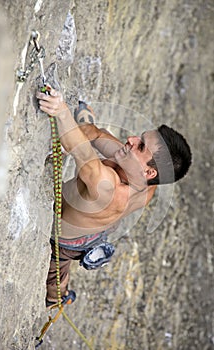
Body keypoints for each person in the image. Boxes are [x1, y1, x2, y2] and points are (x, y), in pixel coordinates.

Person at [36, 88, 192, 307]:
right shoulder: (147, 183)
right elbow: (98, 135)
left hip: (67, 241)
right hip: (95, 231)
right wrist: (84, 124)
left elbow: (82, 151)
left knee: (57, 272)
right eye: (140, 137)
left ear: (149, 172)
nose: (131, 139)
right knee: (97, 137)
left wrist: (61, 111)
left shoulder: (108, 188)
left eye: (141, 145)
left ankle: (56, 299)